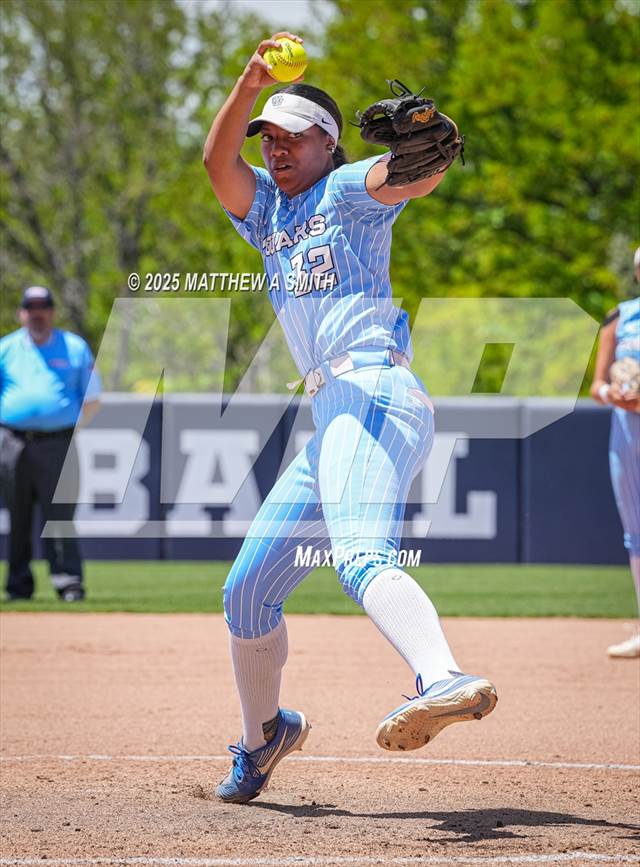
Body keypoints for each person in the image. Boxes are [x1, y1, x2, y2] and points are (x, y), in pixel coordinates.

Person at [203, 33, 497, 804]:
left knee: (362, 554)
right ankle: (265, 736)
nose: (275, 148)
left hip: (372, 390)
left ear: (327, 143)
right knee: (246, 592)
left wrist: (423, 158)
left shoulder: (342, 191)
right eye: (268, 136)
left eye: (292, 135)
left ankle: (442, 675)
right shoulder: (268, 213)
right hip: (330, 413)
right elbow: (215, 163)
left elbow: (406, 176)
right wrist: (250, 83)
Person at [0, 285, 101, 602]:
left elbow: (92, 397)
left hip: (58, 441)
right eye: (31, 307)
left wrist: (70, 429)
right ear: (21, 313)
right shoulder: (6, 348)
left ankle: (68, 582)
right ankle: (18, 585)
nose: (37, 313)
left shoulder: (74, 347)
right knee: (17, 517)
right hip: (13, 441)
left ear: (52, 312)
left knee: (60, 515)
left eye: (43, 307)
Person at [591, 248, 640, 658]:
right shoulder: (620, 316)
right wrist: (614, 393)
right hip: (628, 430)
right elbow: (597, 386)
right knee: (635, 529)